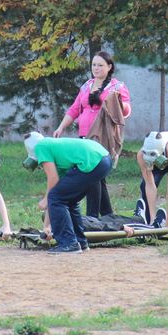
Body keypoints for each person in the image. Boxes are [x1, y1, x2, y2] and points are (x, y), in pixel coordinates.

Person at [52, 51, 131, 217]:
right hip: (84, 138)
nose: (96, 68)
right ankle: (108, 214)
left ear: (109, 67)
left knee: (92, 173)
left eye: (100, 65)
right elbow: (74, 109)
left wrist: (117, 102)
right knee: (97, 176)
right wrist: (61, 127)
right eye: (94, 64)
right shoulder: (87, 85)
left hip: (102, 137)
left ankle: (92, 216)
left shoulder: (117, 86)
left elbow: (125, 110)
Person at [23, 131, 113, 254]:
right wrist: (46, 226)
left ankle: (69, 243)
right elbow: (57, 188)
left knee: (55, 197)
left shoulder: (41, 147)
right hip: (103, 158)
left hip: (93, 160)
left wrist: (45, 199)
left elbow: (53, 182)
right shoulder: (53, 148)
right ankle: (80, 242)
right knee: (69, 199)